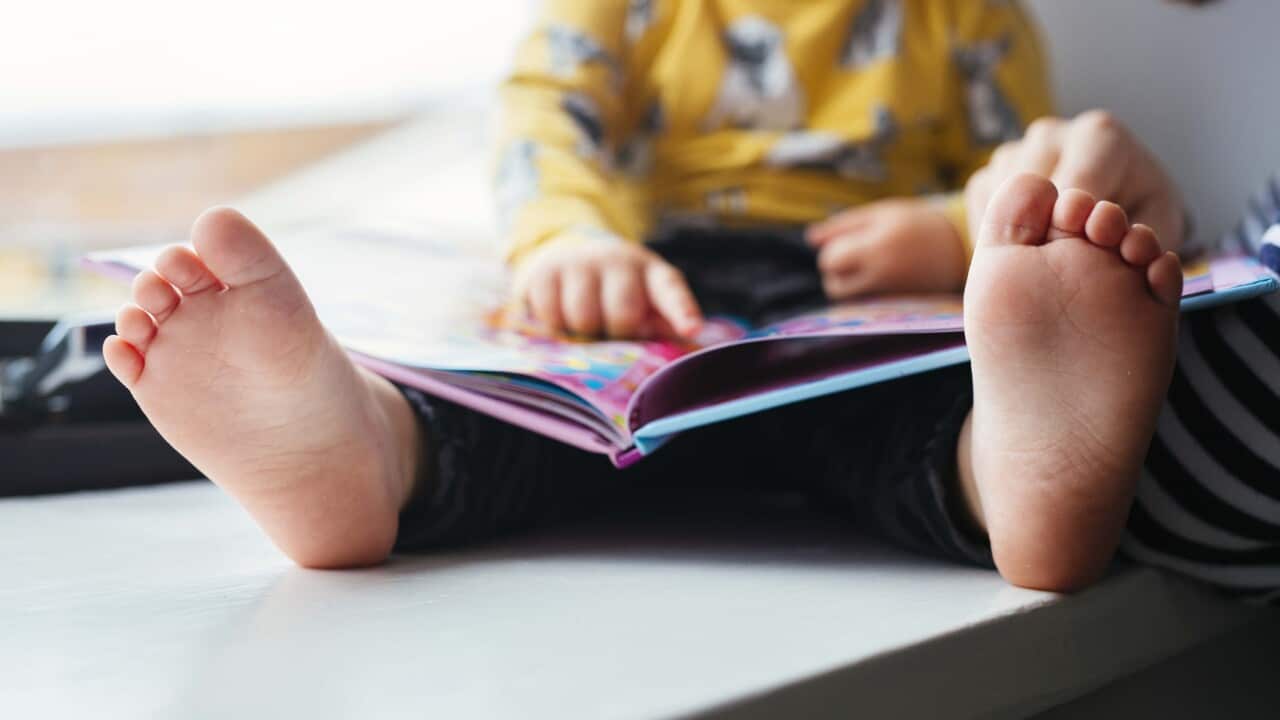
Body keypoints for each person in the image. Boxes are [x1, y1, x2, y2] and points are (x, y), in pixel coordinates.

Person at [101, 1, 1188, 595]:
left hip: (853, 310)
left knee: (921, 406)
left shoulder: (967, 18)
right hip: (642, 294)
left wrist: (949, 230)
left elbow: (1022, 180)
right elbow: (541, 121)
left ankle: (1015, 475)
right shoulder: (620, 10)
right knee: (517, 411)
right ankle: (358, 449)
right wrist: (568, 239)